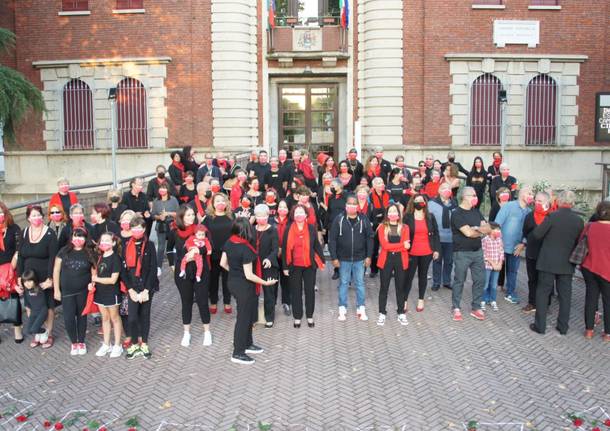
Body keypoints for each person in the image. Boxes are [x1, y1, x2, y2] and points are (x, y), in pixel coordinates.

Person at [220, 217, 277, 365]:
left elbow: (222, 263)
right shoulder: (245, 248)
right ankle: (238, 352)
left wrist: (234, 272)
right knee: (244, 318)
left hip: (233, 282)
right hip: (244, 286)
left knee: (249, 314)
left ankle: (248, 343)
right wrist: (265, 282)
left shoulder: (229, 242)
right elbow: (249, 275)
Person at [530, 191, 584, 335]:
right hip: (567, 262)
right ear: (572, 203)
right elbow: (580, 242)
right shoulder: (579, 221)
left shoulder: (552, 216)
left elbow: (537, 234)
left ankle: (540, 326)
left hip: (547, 261)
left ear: (558, 202)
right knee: (565, 296)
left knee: (542, 293)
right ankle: (563, 327)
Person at [17, 205, 59, 349]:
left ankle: (48, 333)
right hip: (28, 277)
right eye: (33, 215)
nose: (36, 218)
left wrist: (50, 278)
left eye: (39, 215)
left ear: (43, 216)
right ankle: (37, 332)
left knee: (47, 306)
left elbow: (53, 258)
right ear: (28, 218)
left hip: (44, 276)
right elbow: (20, 257)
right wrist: (19, 277)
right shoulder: (24, 233)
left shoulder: (50, 234)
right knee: (30, 305)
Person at [171, 208, 213, 347]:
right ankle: (186, 333)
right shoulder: (175, 231)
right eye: (187, 215)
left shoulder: (201, 229)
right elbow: (169, 248)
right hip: (183, 270)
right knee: (186, 301)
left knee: (202, 300)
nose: (191, 217)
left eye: (192, 214)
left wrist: (197, 250)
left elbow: (209, 246)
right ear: (181, 217)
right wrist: (173, 265)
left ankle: (207, 332)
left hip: (201, 270)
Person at [328, 195, 374, 321]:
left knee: (360, 283)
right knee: (343, 283)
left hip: (360, 258)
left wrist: (369, 256)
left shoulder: (364, 220)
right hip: (343, 259)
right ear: (346, 205)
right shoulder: (339, 220)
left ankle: (361, 308)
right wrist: (334, 257)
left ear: (358, 206)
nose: (352, 206)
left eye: (354, 204)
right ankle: (342, 308)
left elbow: (370, 238)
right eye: (350, 203)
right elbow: (332, 240)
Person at [53, 227, 95, 356]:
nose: (78, 239)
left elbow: (94, 272)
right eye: (75, 236)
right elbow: (56, 270)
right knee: (69, 318)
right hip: (67, 292)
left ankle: (81, 341)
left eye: (81, 236)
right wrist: (56, 290)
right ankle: (74, 342)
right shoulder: (64, 251)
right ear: (71, 237)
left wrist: (93, 285)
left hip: (83, 291)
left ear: (85, 238)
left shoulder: (89, 253)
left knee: (82, 317)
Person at [450, 187, 491, 321]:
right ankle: (456, 307)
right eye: (472, 195)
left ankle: (476, 307)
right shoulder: (456, 214)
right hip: (462, 253)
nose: (475, 197)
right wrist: (479, 230)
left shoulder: (476, 211)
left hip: (477, 252)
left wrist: (477, 229)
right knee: (459, 280)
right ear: (464, 196)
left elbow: (487, 228)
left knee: (480, 280)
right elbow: (468, 233)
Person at [282, 205, 325, 328]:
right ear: (293, 215)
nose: (299, 215)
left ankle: (310, 316)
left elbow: (316, 245)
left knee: (309, 291)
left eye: (301, 212)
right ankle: (297, 317)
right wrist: (285, 267)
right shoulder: (288, 229)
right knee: (296, 292)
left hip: (309, 266)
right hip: (294, 265)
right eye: (296, 213)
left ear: (306, 215)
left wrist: (321, 260)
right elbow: (285, 249)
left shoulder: (311, 229)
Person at [123, 217, 159, 359]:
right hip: (132, 286)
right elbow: (123, 270)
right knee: (132, 317)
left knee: (145, 316)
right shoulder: (126, 245)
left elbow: (152, 268)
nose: (137, 230)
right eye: (134, 228)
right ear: (130, 229)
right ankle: (133, 343)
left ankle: (144, 342)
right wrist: (130, 289)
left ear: (144, 229)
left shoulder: (149, 245)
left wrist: (146, 290)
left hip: (146, 286)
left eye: (139, 228)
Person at [495, 186, 533, 304]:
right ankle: (488, 293)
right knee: (493, 269)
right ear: (522, 194)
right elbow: (497, 224)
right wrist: (496, 242)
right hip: (501, 245)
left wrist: (523, 244)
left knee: (513, 271)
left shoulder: (529, 212)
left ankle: (510, 293)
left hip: (516, 247)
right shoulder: (508, 206)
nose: (532, 196)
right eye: (530, 193)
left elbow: (530, 231)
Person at [403, 194, 440, 312]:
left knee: (423, 276)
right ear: (412, 203)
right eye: (417, 200)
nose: (419, 202)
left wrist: (436, 249)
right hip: (412, 252)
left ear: (425, 203)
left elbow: (436, 234)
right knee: (408, 277)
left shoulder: (430, 217)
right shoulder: (407, 217)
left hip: (427, 251)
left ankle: (421, 299)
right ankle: (404, 300)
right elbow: (403, 233)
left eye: (421, 200)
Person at [375, 204, 410, 326]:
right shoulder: (382, 227)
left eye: (395, 211)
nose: (393, 213)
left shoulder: (405, 227)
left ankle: (401, 312)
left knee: (400, 287)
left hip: (401, 260)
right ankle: (382, 313)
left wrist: (400, 247)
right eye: (390, 211)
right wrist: (401, 246)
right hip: (386, 260)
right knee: (384, 287)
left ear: (399, 214)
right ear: (387, 214)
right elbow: (385, 246)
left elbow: (407, 247)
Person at [581, 200, 610, 341]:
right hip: (607, 270)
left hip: (589, 266)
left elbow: (581, 242)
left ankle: (589, 330)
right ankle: (607, 334)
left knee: (591, 297)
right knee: (608, 300)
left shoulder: (589, 226)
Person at [92, 232, 124, 358]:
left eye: (107, 240)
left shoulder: (116, 258)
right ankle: (106, 344)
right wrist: (93, 283)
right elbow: (96, 275)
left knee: (114, 318)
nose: (104, 243)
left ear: (113, 243)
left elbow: (112, 280)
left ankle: (117, 345)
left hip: (112, 293)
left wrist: (96, 279)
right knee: (105, 318)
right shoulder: (100, 257)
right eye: (102, 240)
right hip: (100, 293)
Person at [521, 191, 551, 313]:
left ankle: (545, 304)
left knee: (546, 281)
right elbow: (525, 232)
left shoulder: (552, 217)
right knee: (532, 279)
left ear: (547, 202)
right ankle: (532, 302)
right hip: (532, 253)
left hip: (547, 255)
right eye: (536, 200)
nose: (536, 203)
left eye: (540, 201)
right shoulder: (529, 216)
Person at [203, 193, 234, 314]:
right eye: (217, 201)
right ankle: (213, 301)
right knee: (213, 279)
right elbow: (203, 236)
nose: (220, 203)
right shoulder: (208, 218)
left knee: (228, 279)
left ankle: (227, 302)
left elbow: (237, 233)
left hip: (228, 253)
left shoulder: (232, 216)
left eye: (223, 201)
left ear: (226, 203)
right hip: (213, 254)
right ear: (213, 204)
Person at [0, 202, 23, 343]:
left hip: (11, 269)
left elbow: (18, 249)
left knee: (14, 300)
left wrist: (11, 268)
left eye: (1, 213)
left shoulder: (14, 228)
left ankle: (17, 330)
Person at [253, 204, 280, 327]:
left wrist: (269, 259)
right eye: (258, 216)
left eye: (263, 216)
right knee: (253, 292)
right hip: (255, 266)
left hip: (269, 266)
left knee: (269, 292)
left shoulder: (273, 230)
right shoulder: (252, 230)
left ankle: (269, 318)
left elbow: (275, 249)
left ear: (268, 216)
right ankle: (253, 318)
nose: (260, 218)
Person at [428, 183, 458, 291]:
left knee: (449, 261)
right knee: (437, 260)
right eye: (444, 188)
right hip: (437, 238)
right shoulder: (431, 203)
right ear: (439, 191)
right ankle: (436, 282)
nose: (447, 190)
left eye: (449, 188)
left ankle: (446, 281)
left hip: (450, 238)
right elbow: (428, 219)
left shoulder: (454, 204)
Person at [151, 183, 179, 275]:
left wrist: (168, 213)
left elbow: (178, 213)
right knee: (161, 247)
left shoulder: (173, 199)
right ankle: (158, 267)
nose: (162, 190)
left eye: (164, 188)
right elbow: (153, 215)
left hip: (171, 225)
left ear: (167, 189)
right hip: (160, 225)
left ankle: (175, 265)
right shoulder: (156, 201)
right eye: (160, 188)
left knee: (173, 246)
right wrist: (159, 217)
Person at [369, 177, 390, 277]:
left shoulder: (388, 194)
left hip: (387, 223)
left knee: (388, 247)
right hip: (375, 225)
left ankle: (387, 268)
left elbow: (390, 208)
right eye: (378, 183)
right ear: (373, 186)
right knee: (374, 249)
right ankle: (374, 269)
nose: (381, 184)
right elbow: (371, 211)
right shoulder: (370, 196)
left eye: (382, 182)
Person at [481, 222, 504, 311]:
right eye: (497, 229)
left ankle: (493, 300)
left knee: (494, 284)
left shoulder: (499, 240)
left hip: (497, 267)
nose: (499, 231)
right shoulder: (485, 240)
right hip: (487, 266)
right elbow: (483, 254)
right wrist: (493, 263)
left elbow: (501, 252)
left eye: (499, 230)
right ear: (490, 230)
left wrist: (500, 263)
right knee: (485, 284)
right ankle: (483, 300)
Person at [21, 270, 48, 344]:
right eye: (25, 282)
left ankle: (44, 331)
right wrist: (29, 313)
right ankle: (39, 333)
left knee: (34, 329)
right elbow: (27, 304)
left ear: (34, 280)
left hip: (42, 311)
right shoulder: (26, 291)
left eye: (30, 281)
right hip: (34, 312)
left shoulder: (40, 287)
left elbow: (49, 284)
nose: (27, 284)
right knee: (28, 331)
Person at [275, 200, 291, 315]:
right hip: (274, 255)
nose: (282, 209)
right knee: (273, 280)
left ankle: (286, 303)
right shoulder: (271, 221)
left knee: (286, 281)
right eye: (280, 207)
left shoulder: (291, 222)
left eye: (285, 207)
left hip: (286, 255)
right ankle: (272, 304)